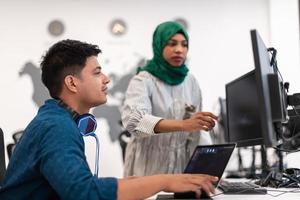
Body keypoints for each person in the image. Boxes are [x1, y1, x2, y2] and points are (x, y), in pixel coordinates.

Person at [0, 39, 218, 200]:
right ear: (72, 83)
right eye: (97, 73)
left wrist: (140, 183)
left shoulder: (56, 119)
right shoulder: (56, 127)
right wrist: (166, 180)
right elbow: (83, 193)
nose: (106, 79)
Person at [122, 21, 218, 177]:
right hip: (147, 167)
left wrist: (209, 164)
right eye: (172, 44)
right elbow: (135, 122)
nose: (179, 50)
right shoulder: (143, 80)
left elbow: (197, 130)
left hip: (180, 166)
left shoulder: (190, 81)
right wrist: (184, 124)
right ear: (159, 45)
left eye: (184, 45)